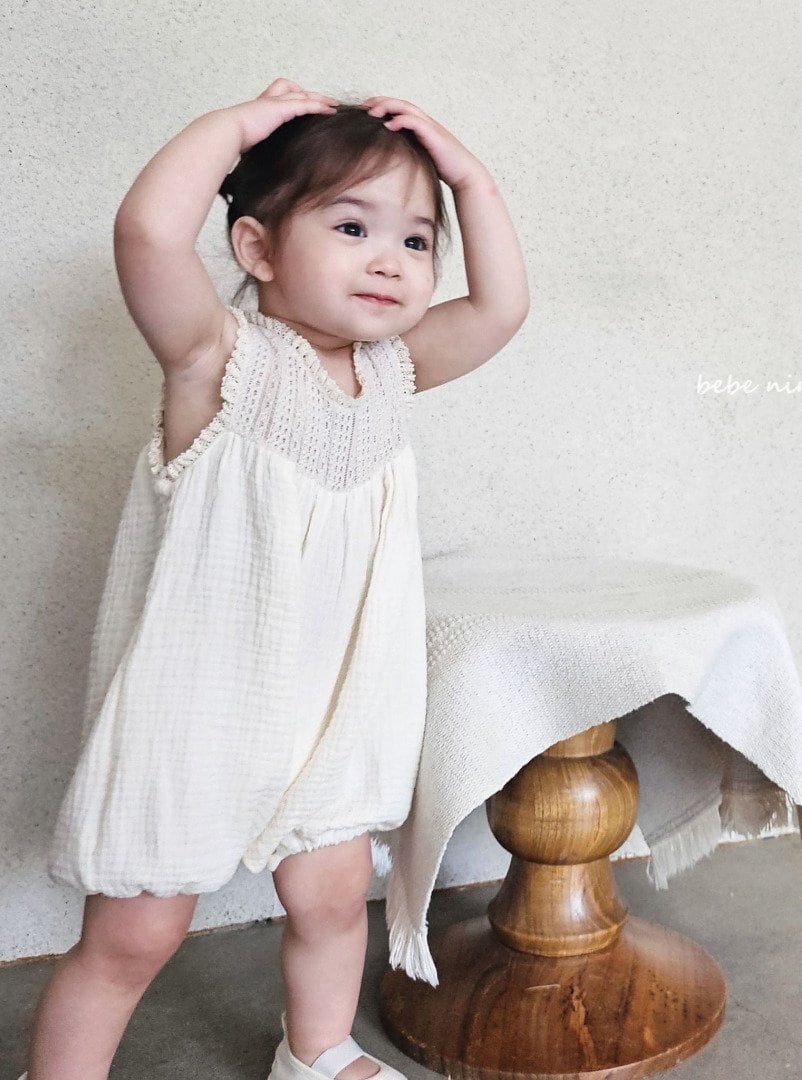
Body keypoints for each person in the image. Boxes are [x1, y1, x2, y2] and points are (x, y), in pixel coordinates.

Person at [19, 78, 528, 1080]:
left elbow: (501, 308)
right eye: (352, 226)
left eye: (417, 239)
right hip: (199, 711)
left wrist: (470, 179)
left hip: (331, 712)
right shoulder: (217, 362)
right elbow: (148, 234)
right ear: (256, 248)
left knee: (334, 901)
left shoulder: (394, 374)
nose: (390, 259)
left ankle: (317, 1051)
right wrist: (236, 128)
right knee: (134, 933)